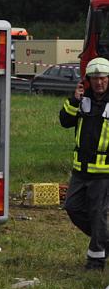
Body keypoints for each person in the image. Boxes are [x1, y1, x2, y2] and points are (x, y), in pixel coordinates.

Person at [60, 57, 109, 270]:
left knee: (98, 213)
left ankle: (96, 259)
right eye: (95, 78)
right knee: (72, 207)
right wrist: (73, 100)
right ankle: (105, 240)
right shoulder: (82, 99)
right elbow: (65, 121)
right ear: (88, 80)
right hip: (80, 169)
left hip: (104, 171)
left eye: (103, 78)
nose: (99, 83)